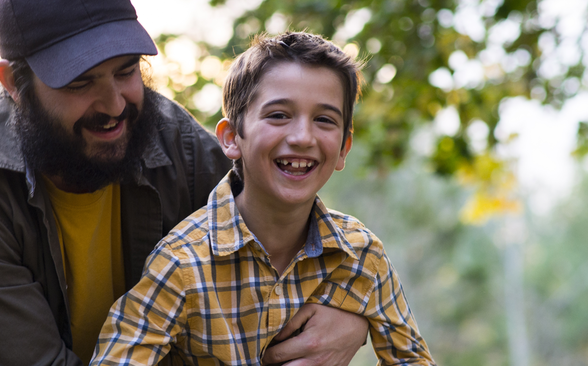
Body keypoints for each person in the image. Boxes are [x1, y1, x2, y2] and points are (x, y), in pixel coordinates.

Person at [0, 0, 368, 364]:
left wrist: (351, 316)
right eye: (81, 82)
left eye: (126, 71)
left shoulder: (173, 142)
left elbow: (282, 250)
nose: (115, 104)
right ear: (15, 83)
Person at [90, 32, 435, 366]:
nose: (302, 137)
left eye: (324, 120)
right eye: (278, 115)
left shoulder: (362, 257)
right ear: (230, 138)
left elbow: (412, 359)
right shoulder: (181, 265)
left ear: (344, 148)